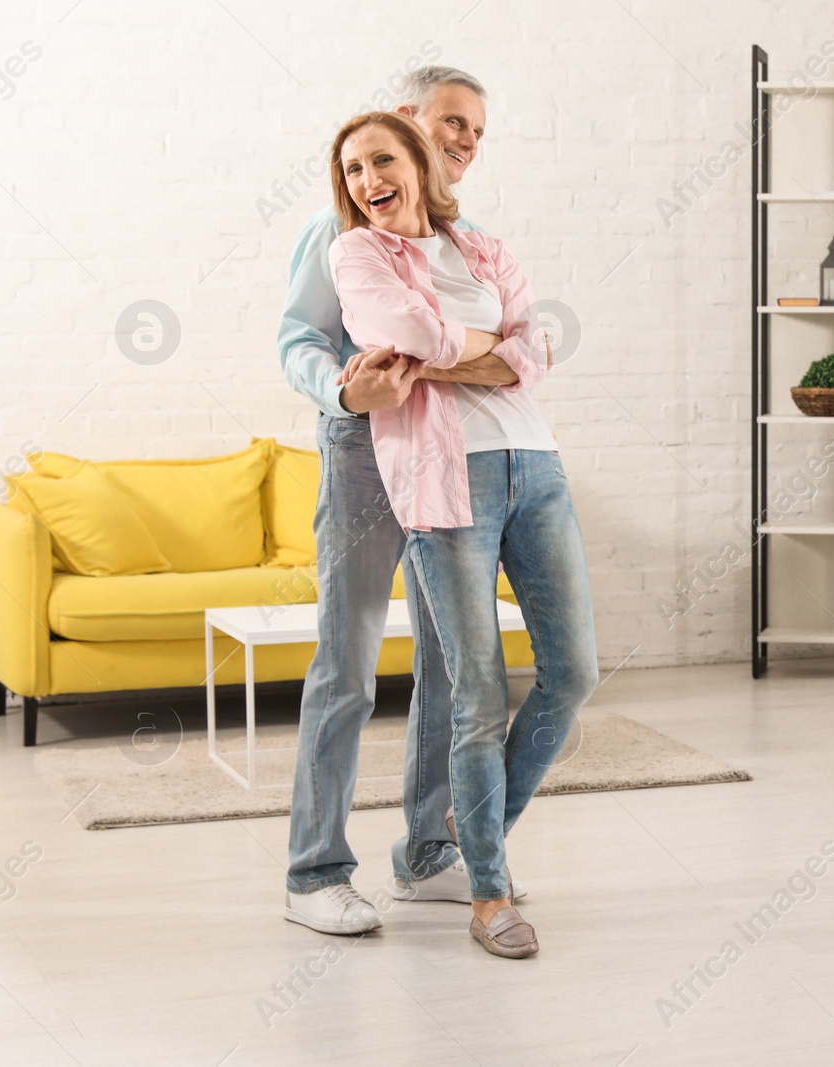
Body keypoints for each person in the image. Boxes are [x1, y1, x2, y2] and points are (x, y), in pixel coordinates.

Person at [327, 109, 598, 958]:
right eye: (352, 170)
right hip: (445, 482)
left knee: (574, 674)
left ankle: (465, 826)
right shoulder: (357, 255)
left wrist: (449, 356)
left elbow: (537, 348)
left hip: (536, 465)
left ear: (415, 161)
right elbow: (409, 334)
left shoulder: (478, 246)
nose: (368, 180)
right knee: (479, 694)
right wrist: (488, 348)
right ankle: (487, 890)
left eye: (381, 160)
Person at [278, 66, 520, 936]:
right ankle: (314, 872)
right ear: (408, 123)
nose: (464, 141)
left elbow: (517, 343)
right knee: (346, 661)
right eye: (452, 121)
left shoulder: (470, 241)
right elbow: (299, 340)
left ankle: (426, 855)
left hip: (443, 453)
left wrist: (480, 359)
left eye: (478, 131)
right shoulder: (337, 228)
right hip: (360, 451)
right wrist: (347, 396)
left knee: (446, 663)